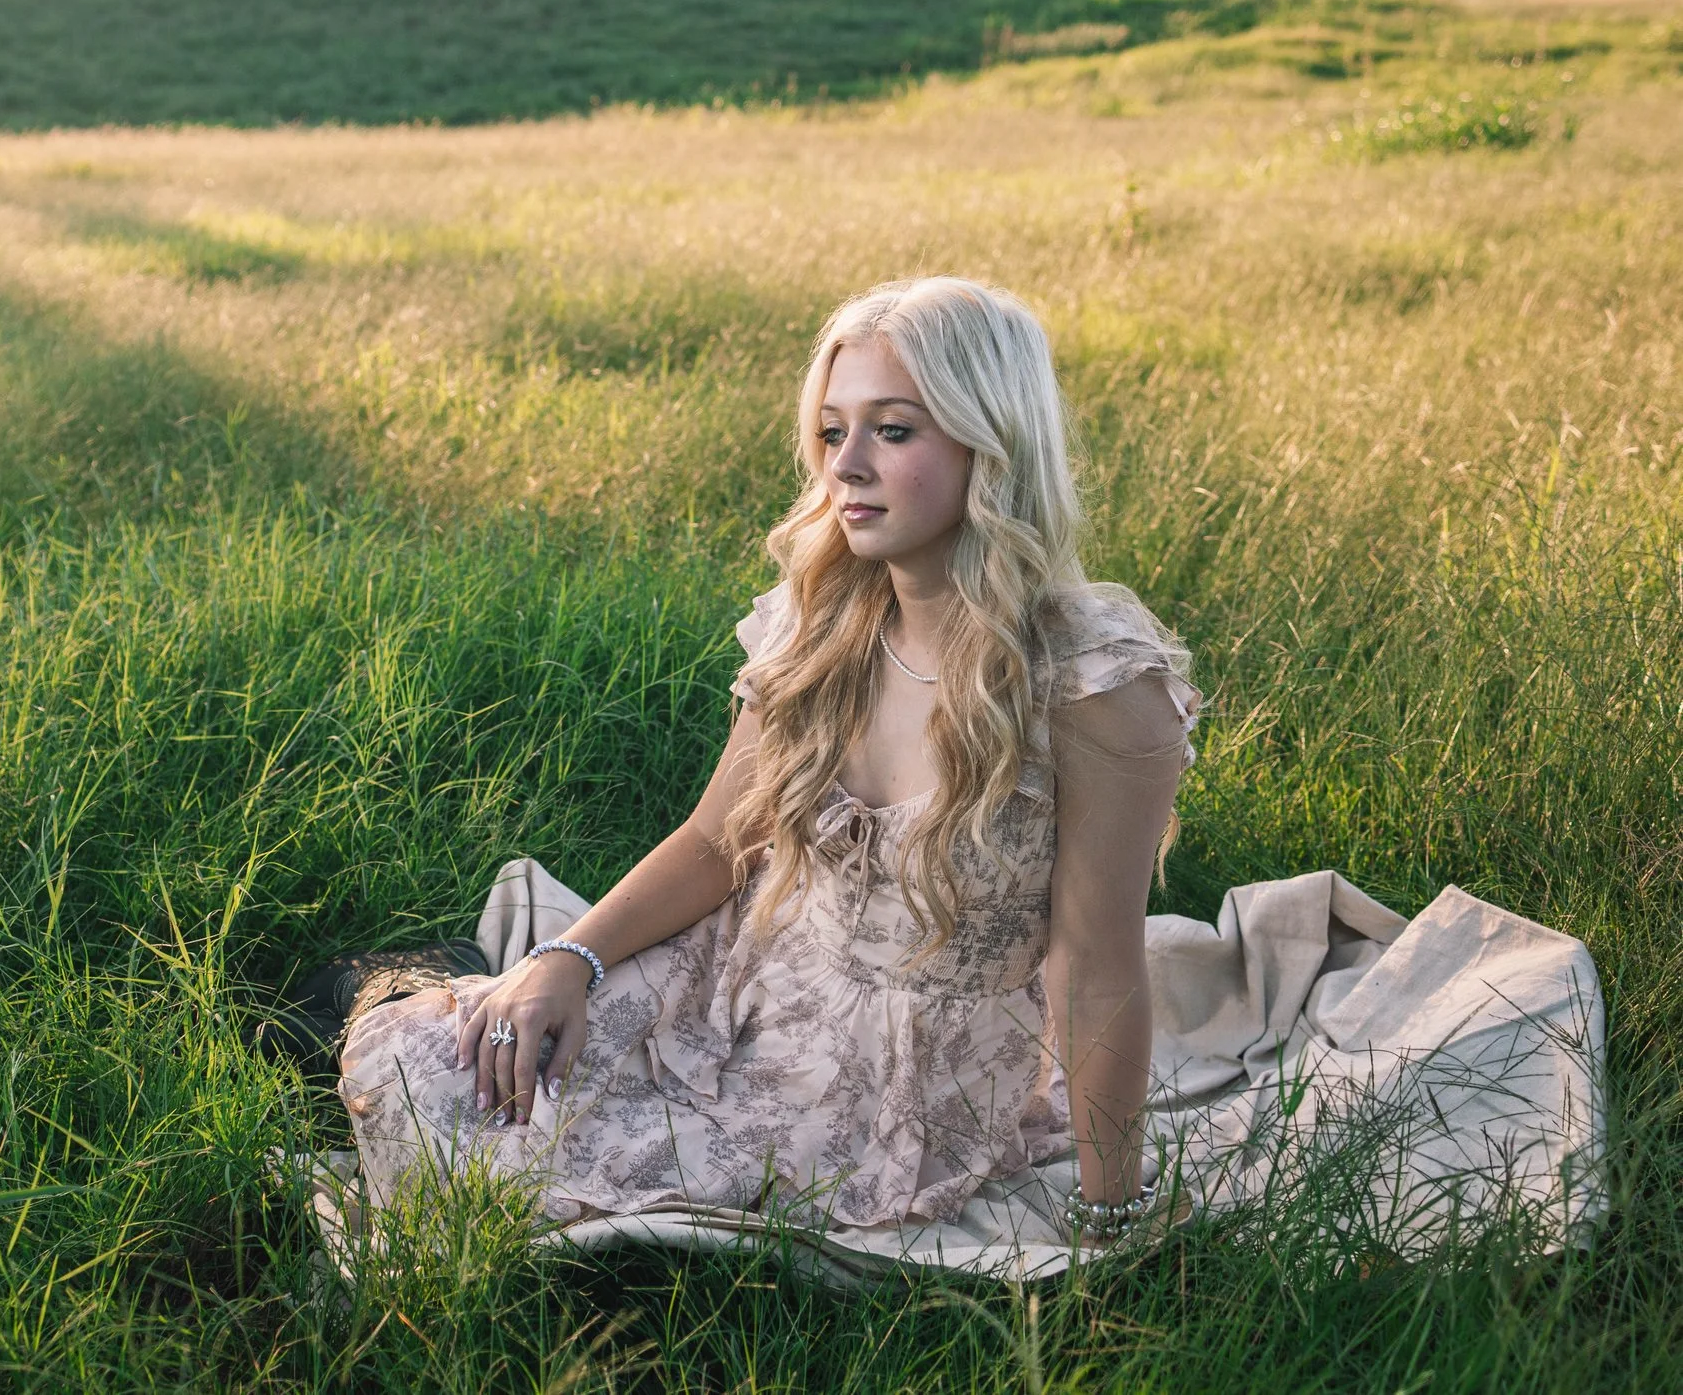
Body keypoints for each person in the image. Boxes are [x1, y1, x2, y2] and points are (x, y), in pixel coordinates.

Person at [336, 276, 1201, 1241]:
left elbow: (1096, 963)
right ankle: (420, 980)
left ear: (991, 441)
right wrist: (565, 957)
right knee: (435, 1065)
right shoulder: (821, 619)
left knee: (517, 1185)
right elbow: (719, 842)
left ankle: (427, 984)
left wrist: (1113, 1210)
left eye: (893, 431)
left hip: (899, 1080)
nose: (848, 466)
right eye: (832, 432)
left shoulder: (1093, 683)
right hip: (747, 976)